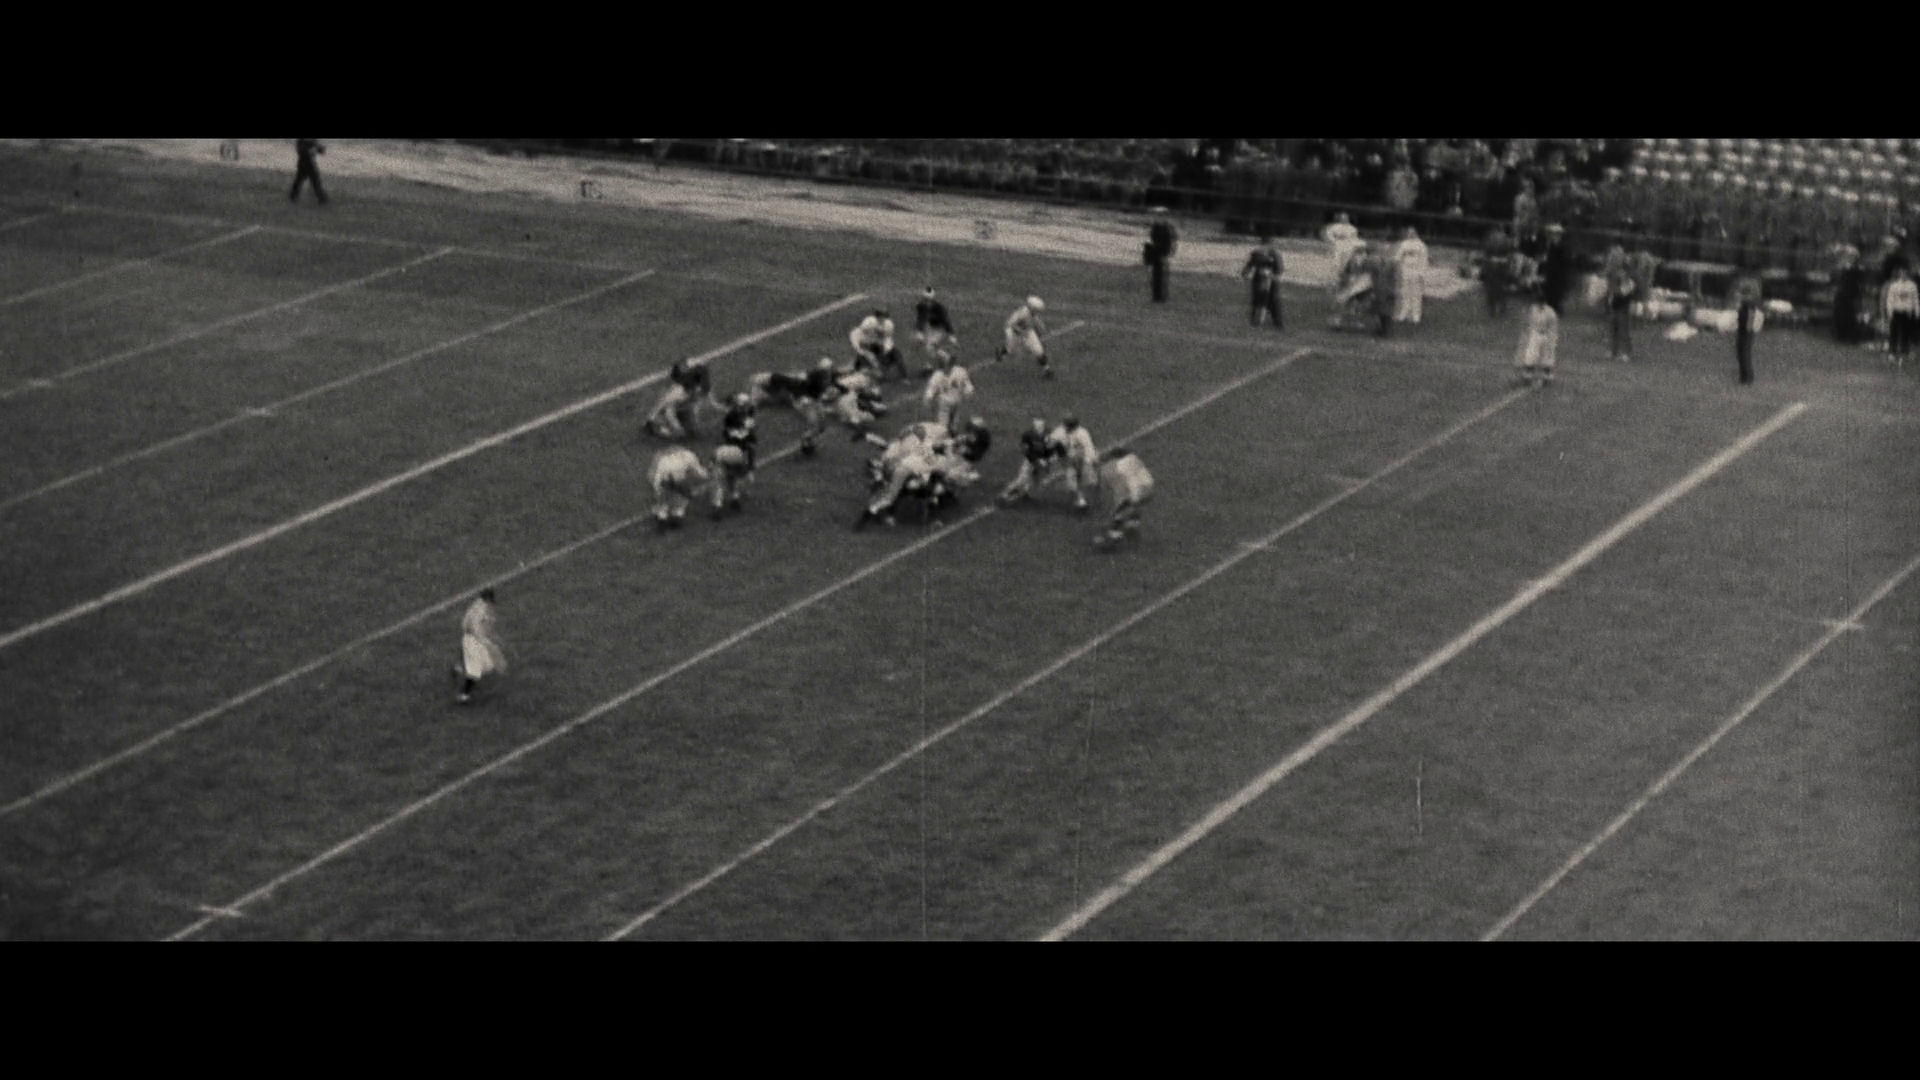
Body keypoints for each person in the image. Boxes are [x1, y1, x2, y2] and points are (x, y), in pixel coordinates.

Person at [1092, 446, 1154, 550]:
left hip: (1139, 490)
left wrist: (1134, 496)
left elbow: (1131, 481)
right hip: (1150, 486)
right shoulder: (1133, 457)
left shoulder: (1122, 466)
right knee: (1132, 508)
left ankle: (1112, 540)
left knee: (1119, 514)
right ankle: (1132, 527)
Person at [452, 588, 505, 705]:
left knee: (487, 665)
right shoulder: (482, 610)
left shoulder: (475, 605)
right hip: (474, 640)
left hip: (472, 639)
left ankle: (459, 666)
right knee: (475, 671)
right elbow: (476, 628)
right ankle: (464, 695)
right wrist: (487, 640)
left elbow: (464, 623)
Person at [1513, 257, 1559, 388]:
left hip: (1547, 335)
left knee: (1547, 357)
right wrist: (1527, 332)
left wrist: (1551, 338)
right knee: (1531, 355)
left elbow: (1553, 326)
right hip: (1535, 333)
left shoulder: (1550, 312)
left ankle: (1547, 377)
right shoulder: (1533, 309)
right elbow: (1527, 321)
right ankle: (1527, 376)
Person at [646, 358, 719, 439]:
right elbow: (667, 410)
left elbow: (705, 402)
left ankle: (678, 423)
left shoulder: (695, 388)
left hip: (680, 408)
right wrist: (677, 426)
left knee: (693, 431)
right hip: (667, 412)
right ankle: (660, 427)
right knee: (678, 433)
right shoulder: (678, 393)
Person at [997, 417, 1058, 506]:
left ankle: (1026, 492)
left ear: (1044, 424)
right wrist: (1036, 460)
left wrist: (1048, 460)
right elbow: (1025, 450)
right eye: (1037, 425)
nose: (1039, 427)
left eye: (1041, 425)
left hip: (1044, 462)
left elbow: (1052, 449)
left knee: (1036, 481)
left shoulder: (1049, 435)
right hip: (1031, 461)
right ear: (1034, 425)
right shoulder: (1028, 435)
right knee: (1021, 479)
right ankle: (1005, 494)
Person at [648, 444, 711, 529]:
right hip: (675, 479)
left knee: (663, 501)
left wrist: (656, 488)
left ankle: (662, 517)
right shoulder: (689, 456)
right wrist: (708, 475)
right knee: (680, 499)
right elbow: (697, 471)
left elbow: (656, 475)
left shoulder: (663, 459)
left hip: (664, 479)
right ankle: (676, 516)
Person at [995, 296, 1053, 379]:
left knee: (1039, 351)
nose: (1037, 311)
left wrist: (1043, 328)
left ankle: (1047, 370)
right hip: (1016, 334)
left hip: (1028, 332)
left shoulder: (1032, 313)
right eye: (1036, 309)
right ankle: (1000, 352)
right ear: (1032, 308)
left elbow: (1036, 320)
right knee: (1011, 350)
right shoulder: (1022, 313)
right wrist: (1020, 331)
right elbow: (1009, 324)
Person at [850, 308, 908, 381]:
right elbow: (860, 335)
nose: (882, 319)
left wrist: (885, 348)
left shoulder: (888, 325)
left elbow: (887, 338)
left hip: (880, 342)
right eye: (880, 316)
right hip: (866, 341)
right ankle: (857, 368)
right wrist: (863, 346)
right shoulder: (868, 324)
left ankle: (902, 376)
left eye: (884, 316)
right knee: (866, 355)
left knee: (896, 355)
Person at [913, 287, 959, 376]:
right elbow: (920, 319)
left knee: (929, 346)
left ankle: (944, 359)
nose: (927, 302)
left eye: (929, 300)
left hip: (939, 329)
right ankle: (936, 362)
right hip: (929, 328)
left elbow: (945, 321)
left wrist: (951, 335)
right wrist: (919, 331)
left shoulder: (939, 308)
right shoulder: (920, 307)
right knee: (919, 344)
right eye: (925, 300)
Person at [923, 354, 975, 433]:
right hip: (944, 404)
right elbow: (931, 389)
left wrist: (968, 392)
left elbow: (967, 385)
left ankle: (954, 433)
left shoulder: (960, 372)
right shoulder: (937, 376)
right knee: (943, 427)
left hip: (957, 402)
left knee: (955, 425)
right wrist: (928, 398)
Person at [1241, 235, 1284, 328]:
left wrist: (1269, 274)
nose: (1264, 247)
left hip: (1272, 282)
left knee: (1273, 302)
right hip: (1258, 280)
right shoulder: (1256, 254)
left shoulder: (1275, 255)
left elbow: (1279, 271)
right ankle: (1255, 322)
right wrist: (1246, 273)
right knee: (1257, 301)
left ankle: (1277, 323)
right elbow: (1248, 266)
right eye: (1263, 245)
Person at [1603, 243, 1637, 361]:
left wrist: (1620, 290)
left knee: (1623, 327)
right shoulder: (1610, 273)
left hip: (1623, 302)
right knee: (1613, 327)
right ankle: (1613, 350)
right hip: (1613, 301)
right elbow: (1608, 287)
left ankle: (1626, 351)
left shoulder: (1624, 273)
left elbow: (1628, 287)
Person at [1882, 264, 1918, 369]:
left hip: (1906, 311)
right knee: (1894, 332)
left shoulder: (1912, 286)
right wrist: (1890, 310)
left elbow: (1915, 299)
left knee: (1906, 333)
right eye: (1901, 273)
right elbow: (1890, 299)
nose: (1903, 275)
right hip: (1896, 311)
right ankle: (1892, 351)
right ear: (1899, 274)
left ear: (1907, 274)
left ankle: (1904, 351)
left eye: (1905, 273)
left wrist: (1916, 310)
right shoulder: (1894, 285)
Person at [1392, 226, 1429, 324]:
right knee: (1404, 292)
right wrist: (1398, 267)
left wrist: (1422, 273)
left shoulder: (1421, 245)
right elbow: (1397, 257)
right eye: (1409, 232)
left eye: (1412, 232)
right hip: (1405, 270)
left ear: (1416, 233)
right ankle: (1403, 313)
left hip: (1416, 271)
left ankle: (1415, 315)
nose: (1410, 234)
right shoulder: (1404, 244)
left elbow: (1424, 259)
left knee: (1416, 293)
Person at [1321, 212, 1363, 296]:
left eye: (1345, 218)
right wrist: (1335, 241)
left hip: (1348, 246)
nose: (1344, 219)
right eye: (1342, 218)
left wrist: (1354, 245)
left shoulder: (1352, 228)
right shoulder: (1333, 227)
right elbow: (1328, 236)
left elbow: (1354, 238)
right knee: (1335, 264)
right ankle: (1332, 283)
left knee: (1345, 264)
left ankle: (1343, 282)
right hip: (1337, 246)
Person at [1477, 225, 1515, 318]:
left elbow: (1486, 253)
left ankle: (1493, 309)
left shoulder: (1491, 238)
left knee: (1491, 288)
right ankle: (1499, 308)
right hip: (1501, 265)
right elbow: (1510, 256)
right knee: (1500, 288)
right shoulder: (1508, 241)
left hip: (1492, 264)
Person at [1145, 207, 1177, 302]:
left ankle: (1162, 296)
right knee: (1155, 275)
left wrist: (1167, 254)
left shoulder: (1167, 229)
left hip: (1163, 253)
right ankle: (1156, 296)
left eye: (1159, 215)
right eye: (1156, 215)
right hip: (1156, 253)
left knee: (1162, 275)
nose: (1157, 218)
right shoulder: (1155, 227)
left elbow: (1171, 243)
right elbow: (1152, 240)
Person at [1735, 279, 1761, 385]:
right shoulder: (1745, 306)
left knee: (1744, 352)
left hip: (1745, 331)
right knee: (1741, 352)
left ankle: (1747, 377)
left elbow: (1749, 322)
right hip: (1743, 329)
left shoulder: (1749, 306)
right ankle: (1744, 376)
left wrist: (1746, 331)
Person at [290, 139, 328, 204]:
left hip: (305, 162)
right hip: (306, 162)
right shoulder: (304, 142)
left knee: (300, 179)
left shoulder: (306, 142)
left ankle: (293, 195)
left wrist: (319, 149)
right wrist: (315, 150)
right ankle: (321, 197)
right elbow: (303, 151)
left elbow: (316, 148)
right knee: (313, 179)